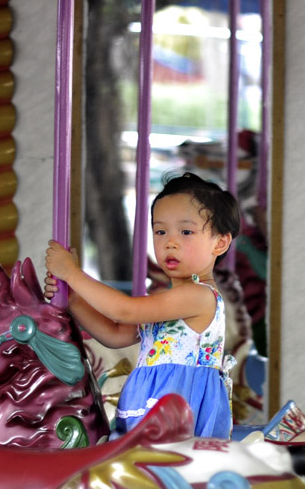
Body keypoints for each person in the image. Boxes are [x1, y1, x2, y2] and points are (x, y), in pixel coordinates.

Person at [45, 172, 240, 439]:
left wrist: (73, 275)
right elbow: (115, 334)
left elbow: (124, 310)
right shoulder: (171, 301)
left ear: (220, 242)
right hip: (151, 404)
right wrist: (74, 300)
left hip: (177, 411)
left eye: (186, 231)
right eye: (160, 231)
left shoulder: (199, 296)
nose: (170, 241)